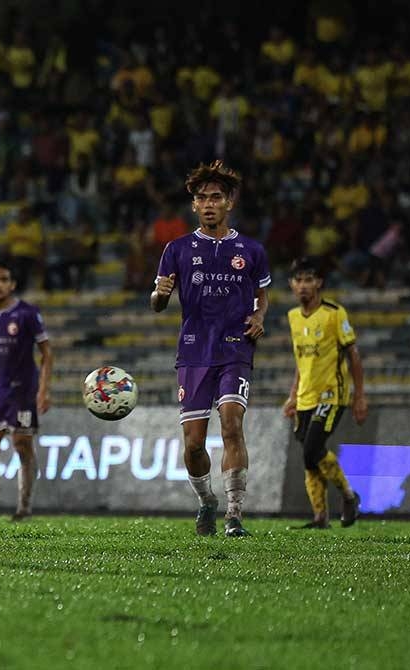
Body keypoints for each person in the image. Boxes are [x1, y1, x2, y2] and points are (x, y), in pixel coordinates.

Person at [151, 161, 271, 537]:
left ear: (229, 202)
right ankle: (206, 500)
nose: (208, 203)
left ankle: (235, 514)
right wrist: (160, 295)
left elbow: (262, 295)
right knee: (193, 444)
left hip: (236, 347)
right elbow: (156, 302)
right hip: (193, 351)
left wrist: (259, 317)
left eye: (215, 197)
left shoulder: (250, 250)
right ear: (193, 205)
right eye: (201, 198)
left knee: (232, 422)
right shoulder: (177, 249)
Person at [282, 257, 365, 529]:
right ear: (292, 285)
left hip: (332, 393)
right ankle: (320, 516)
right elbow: (299, 360)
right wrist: (293, 395)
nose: (303, 285)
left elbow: (353, 354)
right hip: (305, 395)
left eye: (309, 280)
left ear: (319, 283)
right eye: (299, 280)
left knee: (312, 448)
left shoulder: (334, 313)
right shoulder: (293, 317)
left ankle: (349, 496)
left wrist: (359, 396)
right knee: (309, 455)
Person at [0, 261, 53, 522]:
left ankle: (23, 509)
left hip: (23, 391)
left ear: (12, 284)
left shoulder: (27, 313)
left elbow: (47, 353)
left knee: (22, 445)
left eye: (3, 279)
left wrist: (43, 391)